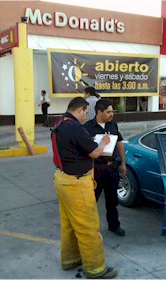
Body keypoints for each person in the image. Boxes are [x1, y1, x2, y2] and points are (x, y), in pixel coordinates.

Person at [51, 97, 117, 279]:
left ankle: (70, 260)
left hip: (62, 179)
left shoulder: (59, 123)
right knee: (88, 226)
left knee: (69, 224)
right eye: (86, 112)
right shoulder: (74, 127)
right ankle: (96, 268)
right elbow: (95, 152)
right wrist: (103, 142)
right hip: (76, 183)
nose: (86, 115)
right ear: (80, 109)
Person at [84, 99, 127, 237]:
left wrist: (123, 163)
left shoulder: (113, 124)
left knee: (112, 200)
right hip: (96, 169)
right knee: (92, 200)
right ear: (99, 112)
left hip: (111, 168)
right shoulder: (87, 128)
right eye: (108, 112)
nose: (112, 114)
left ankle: (114, 225)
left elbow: (119, 143)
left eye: (112, 111)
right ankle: (90, 229)